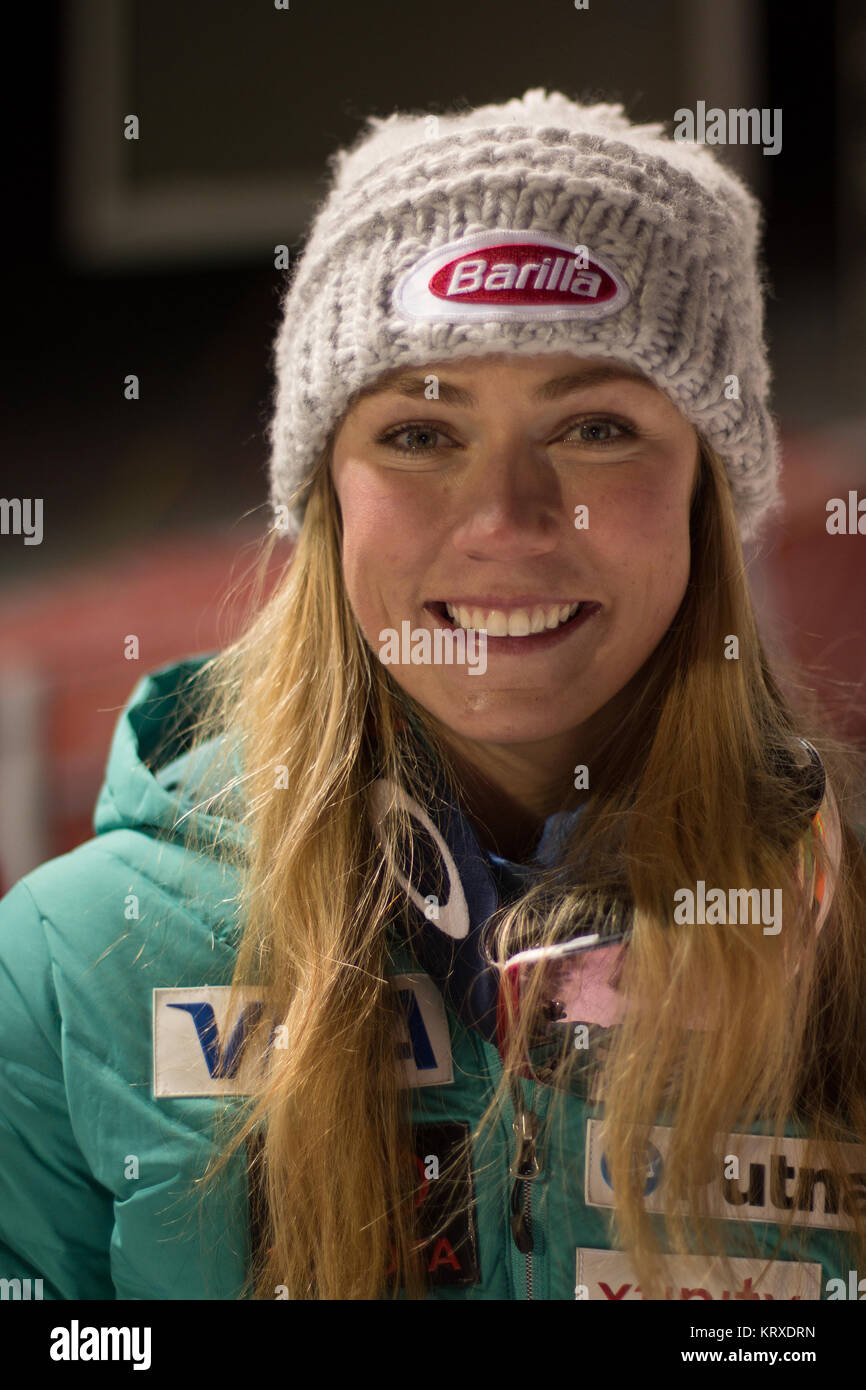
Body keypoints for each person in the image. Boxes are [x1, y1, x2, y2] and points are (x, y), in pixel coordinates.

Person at [1, 88, 864, 1303]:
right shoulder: (68, 963)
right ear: (324, 493)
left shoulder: (846, 959)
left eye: (597, 426)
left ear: (706, 498)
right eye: (419, 432)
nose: (506, 520)